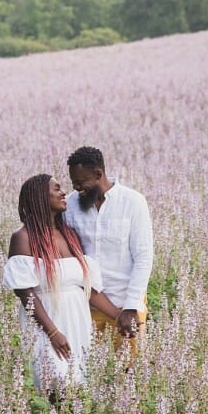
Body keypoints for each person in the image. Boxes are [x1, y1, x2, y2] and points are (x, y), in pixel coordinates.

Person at [3, 173, 117, 391]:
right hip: (46, 322)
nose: (63, 192)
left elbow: (88, 289)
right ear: (39, 197)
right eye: (56, 189)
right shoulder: (23, 238)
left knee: (78, 386)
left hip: (77, 319)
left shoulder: (70, 235)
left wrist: (120, 316)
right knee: (54, 381)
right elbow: (25, 292)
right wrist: (53, 332)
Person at [63, 146, 153, 353]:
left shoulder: (133, 202)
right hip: (85, 306)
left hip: (126, 302)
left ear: (98, 174)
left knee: (129, 372)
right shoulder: (70, 205)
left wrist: (131, 307)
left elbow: (143, 257)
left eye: (81, 181)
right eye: (73, 182)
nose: (76, 187)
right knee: (85, 370)